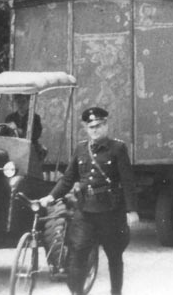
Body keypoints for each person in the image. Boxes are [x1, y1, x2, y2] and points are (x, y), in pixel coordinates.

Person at [39, 107, 139, 295]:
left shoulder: (117, 148)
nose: (95, 130)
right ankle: (77, 292)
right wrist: (51, 196)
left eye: (99, 126)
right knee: (77, 255)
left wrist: (131, 210)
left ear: (106, 125)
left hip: (110, 212)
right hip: (85, 212)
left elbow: (127, 181)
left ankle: (116, 292)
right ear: (86, 128)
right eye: (91, 126)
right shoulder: (80, 148)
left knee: (114, 256)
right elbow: (68, 178)